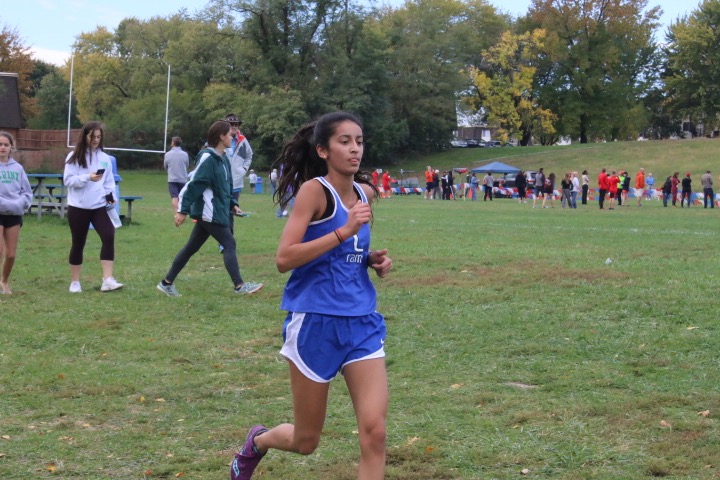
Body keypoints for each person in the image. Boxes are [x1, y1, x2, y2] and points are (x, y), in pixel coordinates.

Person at [232, 112, 392, 480]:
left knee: (375, 431)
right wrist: (344, 230)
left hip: (361, 323)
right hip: (315, 324)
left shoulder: (365, 193)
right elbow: (284, 259)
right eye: (344, 141)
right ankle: (258, 442)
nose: (355, 149)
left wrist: (371, 260)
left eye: (360, 141)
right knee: (306, 441)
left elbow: (348, 251)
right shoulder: (314, 192)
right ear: (323, 149)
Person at [157, 121, 263, 297]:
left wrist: (232, 204)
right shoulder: (208, 158)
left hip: (216, 211)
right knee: (229, 242)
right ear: (221, 136)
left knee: (191, 247)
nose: (233, 137)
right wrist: (182, 211)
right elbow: (194, 185)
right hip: (209, 212)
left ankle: (166, 282)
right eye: (230, 134)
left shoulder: (223, 159)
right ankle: (239, 285)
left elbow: (223, 187)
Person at [63, 122, 123, 293]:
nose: (96, 140)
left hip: (98, 207)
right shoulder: (73, 157)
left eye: (98, 137)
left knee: (109, 235)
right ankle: (75, 282)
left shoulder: (105, 158)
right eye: (92, 136)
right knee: (78, 242)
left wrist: (111, 198)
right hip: (78, 207)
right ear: (85, 136)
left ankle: (108, 280)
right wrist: (87, 177)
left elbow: (109, 182)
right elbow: (68, 180)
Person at [0, 131, 32, 294]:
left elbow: (26, 192)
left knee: (10, 254)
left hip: (14, 214)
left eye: (6, 145)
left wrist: (20, 203)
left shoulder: (18, 168)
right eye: (0, 144)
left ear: (12, 147)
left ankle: (4, 281)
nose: (3, 148)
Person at [163, 136, 190, 212]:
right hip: (182, 179)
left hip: (172, 179)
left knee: (174, 197)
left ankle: (176, 214)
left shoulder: (167, 154)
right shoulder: (185, 154)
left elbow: (165, 166)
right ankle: (181, 212)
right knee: (181, 197)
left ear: (173, 143)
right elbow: (187, 165)